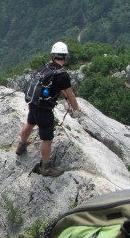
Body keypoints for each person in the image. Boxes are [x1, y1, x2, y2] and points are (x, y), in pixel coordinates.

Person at [15, 41, 82, 177]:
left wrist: (64, 97)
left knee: (30, 123)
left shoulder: (44, 68)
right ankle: (46, 167)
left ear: (53, 55)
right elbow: (71, 94)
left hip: (34, 103)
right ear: (65, 57)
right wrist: (76, 108)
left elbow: (56, 87)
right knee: (47, 138)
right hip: (44, 109)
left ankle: (21, 146)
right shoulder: (63, 75)